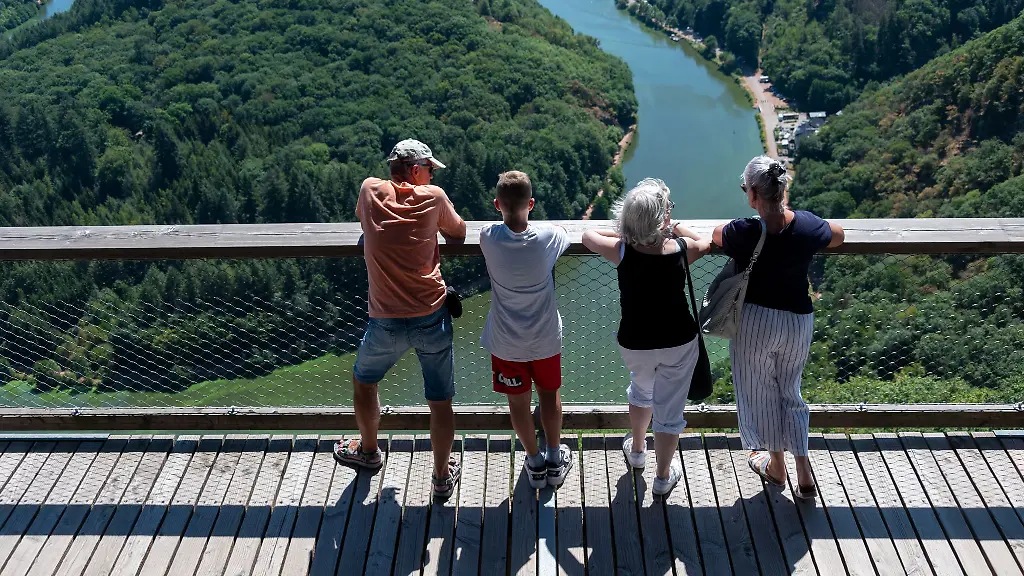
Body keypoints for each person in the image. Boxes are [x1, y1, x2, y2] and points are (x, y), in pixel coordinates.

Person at [335, 138, 467, 501]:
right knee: (440, 402)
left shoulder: (368, 190)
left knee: (364, 382)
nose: (431, 175)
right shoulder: (435, 198)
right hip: (432, 316)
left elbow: (365, 223)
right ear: (414, 169)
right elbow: (459, 232)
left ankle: (369, 451)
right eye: (428, 169)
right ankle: (441, 476)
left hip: (385, 321)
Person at [712, 155, 844, 499]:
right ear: (783, 189)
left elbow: (715, 235)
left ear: (754, 193)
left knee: (761, 395)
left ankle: (775, 468)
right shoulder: (806, 226)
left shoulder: (746, 231)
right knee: (791, 392)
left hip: (756, 322)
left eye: (746, 190)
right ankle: (804, 474)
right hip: (798, 320)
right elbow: (839, 236)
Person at [582, 178, 711, 496]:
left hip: (635, 341)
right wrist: (676, 228)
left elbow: (587, 236)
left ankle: (637, 450)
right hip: (678, 340)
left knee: (640, 389)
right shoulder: (679, 250)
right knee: (670, 409)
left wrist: (629, 233)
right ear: (663, 218)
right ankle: (663, 477)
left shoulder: (623, 252)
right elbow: (705, 242)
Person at [479, 171, 574, 489]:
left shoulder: (488, 238)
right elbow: (561, 231)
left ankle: (534, 462)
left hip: (506, 343)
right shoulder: (547, 239)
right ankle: (553, 457)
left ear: (497, 205)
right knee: (550, 398)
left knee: (517, 403)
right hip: (545, 338)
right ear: (531, 203)